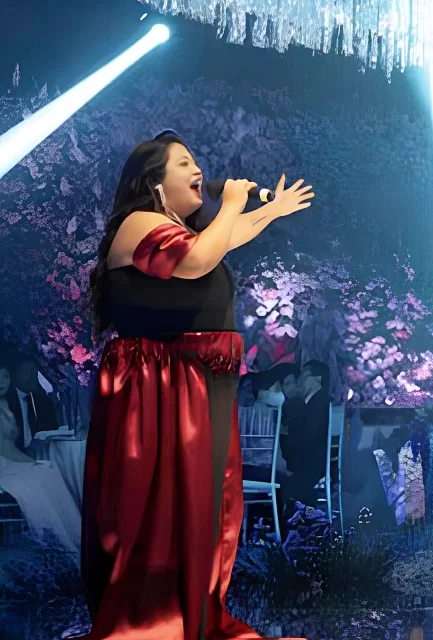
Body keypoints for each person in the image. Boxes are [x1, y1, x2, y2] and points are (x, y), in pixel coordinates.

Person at [83, 130, 313, 640]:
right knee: (162, 509)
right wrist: (230, 201)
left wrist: (268, 213)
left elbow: (219, 240)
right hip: (157, 387)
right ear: (154, 182)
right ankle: (153, 620)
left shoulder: (173, 228)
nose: (196, 169)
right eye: (183, 162)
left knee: (201, 510)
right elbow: (197, 260)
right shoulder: (140, 222)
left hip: (189, 382)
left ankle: (189, 612)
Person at [0, 362, 81, 556]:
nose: (1, 382)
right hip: (5, 463)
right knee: (40, 479)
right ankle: (56, 542)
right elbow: (6, 450)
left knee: (50, 475)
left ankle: (70, 542)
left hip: (10, 458)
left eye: (5, 377)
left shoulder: (6, 405)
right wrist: (30, 464)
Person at [281, 360, 332, 507]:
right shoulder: (313, 403)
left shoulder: (320, 402)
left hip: (309, 464)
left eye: (304, 373)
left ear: (318, 378)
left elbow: (307, 438)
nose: (299, 378)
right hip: (309, 462)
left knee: (282, 479)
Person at [2, 347, 61, 450]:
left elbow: (51, 428)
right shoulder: (5, 400)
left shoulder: (42, 400)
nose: (32, 377)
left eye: (35, 372)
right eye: (28, 372)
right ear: (16, 374)